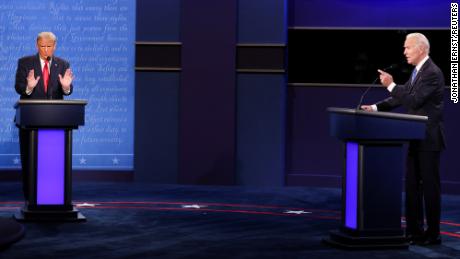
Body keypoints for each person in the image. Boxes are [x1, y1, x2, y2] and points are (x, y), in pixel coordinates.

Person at [361, 33, 445, 246]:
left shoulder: (432, 73)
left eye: (408, 47)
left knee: (429, 189)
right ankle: (414, 231)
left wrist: (390, 84)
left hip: (428, 139)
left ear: (421, 49)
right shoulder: (417, 72)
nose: (404, 51)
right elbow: (402, 95)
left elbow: (414, 101)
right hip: (414, 136)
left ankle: (433, 234)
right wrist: (375, 107)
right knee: (412, 187)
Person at [14, 31, 74, 202]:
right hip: (29, 119)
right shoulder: (25, 62)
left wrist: (66, 88)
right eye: (42, 46)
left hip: (55, 121)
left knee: (53, 163)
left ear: (55, 46)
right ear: (36, 45)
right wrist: (29, 87)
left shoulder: (63, 64)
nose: (46, 50)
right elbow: (18, 87)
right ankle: (30, 198)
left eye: (49, 47)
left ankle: (54, 198)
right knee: (30, 159)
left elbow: (68, 89)